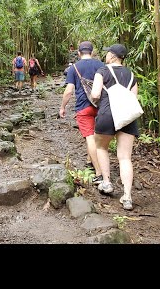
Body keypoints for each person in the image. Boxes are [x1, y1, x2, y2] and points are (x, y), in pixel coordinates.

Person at [90, 44, 139, 211]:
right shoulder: (131, 74)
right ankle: (127, 196)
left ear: (111, 56)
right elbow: (133, 98)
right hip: (127, 117)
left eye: (107, 54)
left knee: (101, 147)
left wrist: (95, 99)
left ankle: (107, 182)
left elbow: (96, 94)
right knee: (125, 157)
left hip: (107, 114)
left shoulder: (102, 71)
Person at [59, 41, 104, 183]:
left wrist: (62, 107)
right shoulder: (101, 65)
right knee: (97, 135)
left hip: (83, 107)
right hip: (101, 106)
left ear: (79, 53)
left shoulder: (74, 68)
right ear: (92, 52)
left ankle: (99, 172)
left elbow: (69, 91)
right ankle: (91, 160)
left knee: (89, 136)